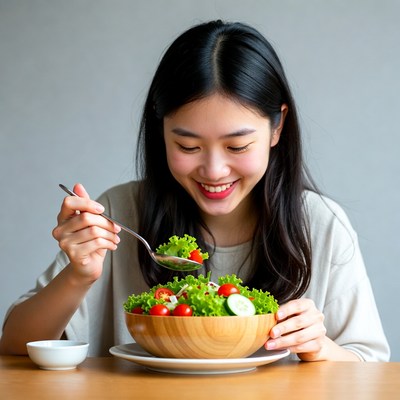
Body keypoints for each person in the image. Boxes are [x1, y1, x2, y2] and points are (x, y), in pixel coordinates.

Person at [0, 20, 390, 361]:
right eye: (188, 147)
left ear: (277, 128)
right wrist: (78, 276)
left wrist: (321, 347)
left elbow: (369, 366)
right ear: (161, 130)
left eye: (237, 146)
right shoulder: (120, 212)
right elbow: (15, 345)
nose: (215, 170)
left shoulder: (320, 224)